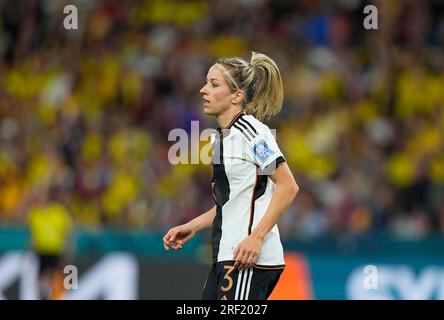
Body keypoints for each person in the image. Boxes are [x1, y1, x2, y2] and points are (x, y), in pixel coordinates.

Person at [163, 51, 299, 300]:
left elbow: (288, 186)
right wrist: (192, 226)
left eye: (214, 84)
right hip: (227, 253)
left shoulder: (251, 131)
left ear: (237, 96)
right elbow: (232, 202)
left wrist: (256, 238)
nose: (204, 90)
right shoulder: (221, 138)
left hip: (246, 256)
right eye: (206, 82)